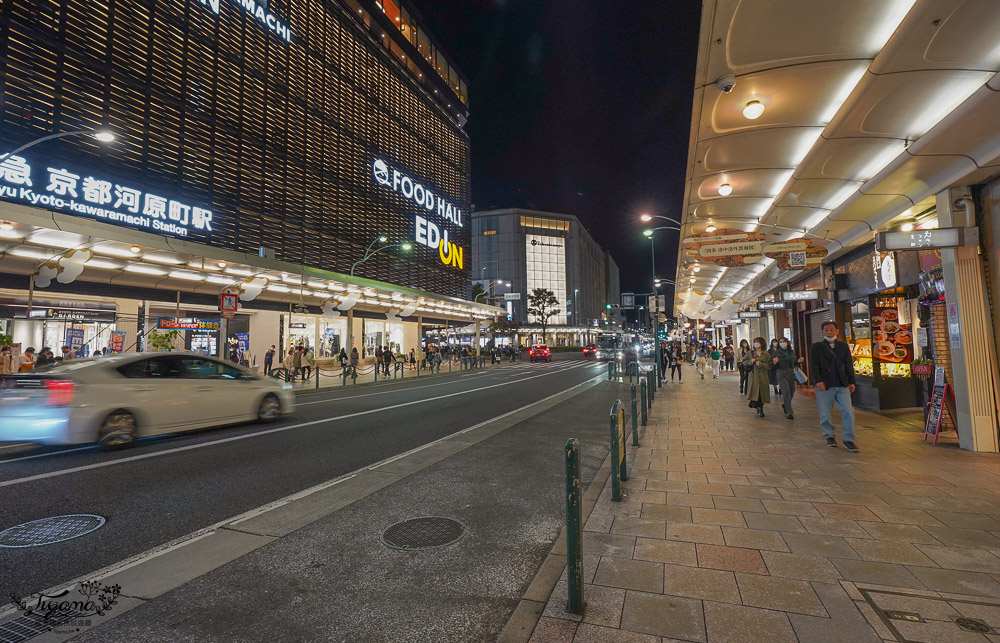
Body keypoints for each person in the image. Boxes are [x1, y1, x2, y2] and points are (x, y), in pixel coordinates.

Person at [809, 321, 858, 451]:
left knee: (848, 411)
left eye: (831, 330)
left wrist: (852, 381)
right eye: (826, 330)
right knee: (825, 412)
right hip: (825, 385)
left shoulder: (843, 346)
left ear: (837, 331)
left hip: (842, 384)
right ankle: (829, 435)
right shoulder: (817, 347)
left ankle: (848, 439)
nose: (829, 332)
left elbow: (848, 364)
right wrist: (818, 380)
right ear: (822, 332)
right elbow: (814, 365)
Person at [771, 338, 804, 420]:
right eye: (781, 342)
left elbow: (794, 362)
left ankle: (785, 404)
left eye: (784, 341)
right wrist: (775, 362)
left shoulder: (791, 352)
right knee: (786, 391)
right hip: (781, 372)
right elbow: (772, 365)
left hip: (790, 372)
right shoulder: (777, 352)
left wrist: (799, 361)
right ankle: (789, 412)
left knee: (792, 391)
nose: (782, 343)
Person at [742, 337, 770, 417]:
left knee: (762, 392)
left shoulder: (766, 354)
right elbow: (744, 361)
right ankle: (758, 407)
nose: (756, 343)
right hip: (753, 376)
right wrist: (751, 361)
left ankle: (759, 406)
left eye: (757, 342)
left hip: (763, 376)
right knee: (755, 391)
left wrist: (760, 364)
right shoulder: (750, 353)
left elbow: (769, 365)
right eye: (754, 342)